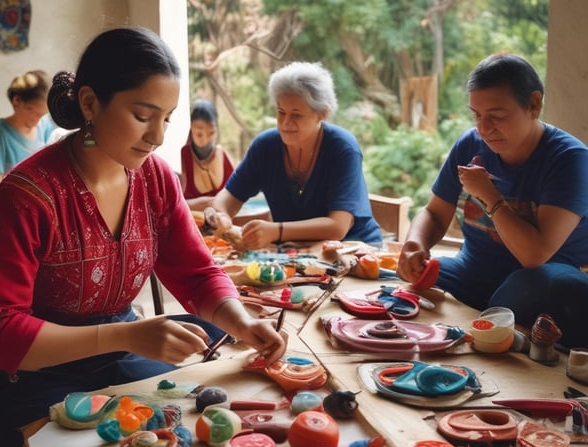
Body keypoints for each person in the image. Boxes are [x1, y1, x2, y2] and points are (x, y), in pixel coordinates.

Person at [0, 26, 288, 447]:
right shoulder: (29, 194)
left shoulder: (155, 179)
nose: (158, 136)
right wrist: (126, 335)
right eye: (143, 115)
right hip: (29, 378)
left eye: (167, 117)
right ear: (90, 103)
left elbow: (195, 269)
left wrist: (241, 320)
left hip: (118, 351)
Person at [397, 53, 588, 349]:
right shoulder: (470, 144)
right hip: (472, 273)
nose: (484, 129)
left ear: (534, 105)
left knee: (537, 283)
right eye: (477, 115)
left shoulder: (569, 159)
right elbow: (434, 214)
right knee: (403, 290)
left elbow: (534, 255)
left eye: (497, 116)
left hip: (540, 285)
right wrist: (414, 246)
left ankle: (495, 329)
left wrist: (489, 195)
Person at [211, 61, 381, 249]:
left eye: (296, 115)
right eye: (281, 112)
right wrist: (222, 216)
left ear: (322, 114)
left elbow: (338, 227)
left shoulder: (342, 148)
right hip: (296, 253)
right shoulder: (265, 147)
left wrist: (277, 231)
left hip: (355, 250)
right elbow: (226, 199)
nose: (285, 122)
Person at [0, 70, 54, 199]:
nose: (37, 120)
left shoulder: (46, 127)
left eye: (42, 115)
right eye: (32, 111)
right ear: (17, 102)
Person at [179, 98, 235, 210]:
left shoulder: (222, 155)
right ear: (191, 130)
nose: (205, 139)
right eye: (199, 134)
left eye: (211, 133)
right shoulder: (184, 154)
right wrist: (202, 203)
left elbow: (235, 194)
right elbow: (177, 201)